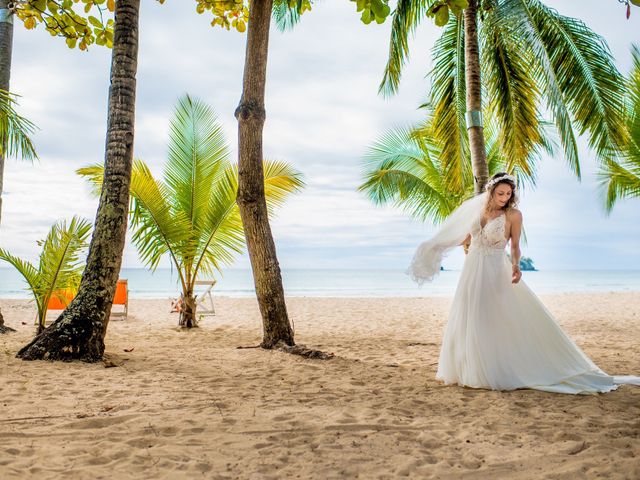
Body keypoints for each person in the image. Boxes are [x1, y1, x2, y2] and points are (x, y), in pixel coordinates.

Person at [408, 172, 640, 394]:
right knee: (469, 312)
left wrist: (517, 266)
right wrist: (439, 245)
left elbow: (515, 245)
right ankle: (468, 369)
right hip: (472, 269)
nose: (504, 198)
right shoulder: (478, 211)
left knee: (494, 315)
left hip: (495, 269)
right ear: (490, 191)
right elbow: (467, 238)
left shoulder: (513, 215)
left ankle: (495, 369)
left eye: (508, 194)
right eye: (500, 193)